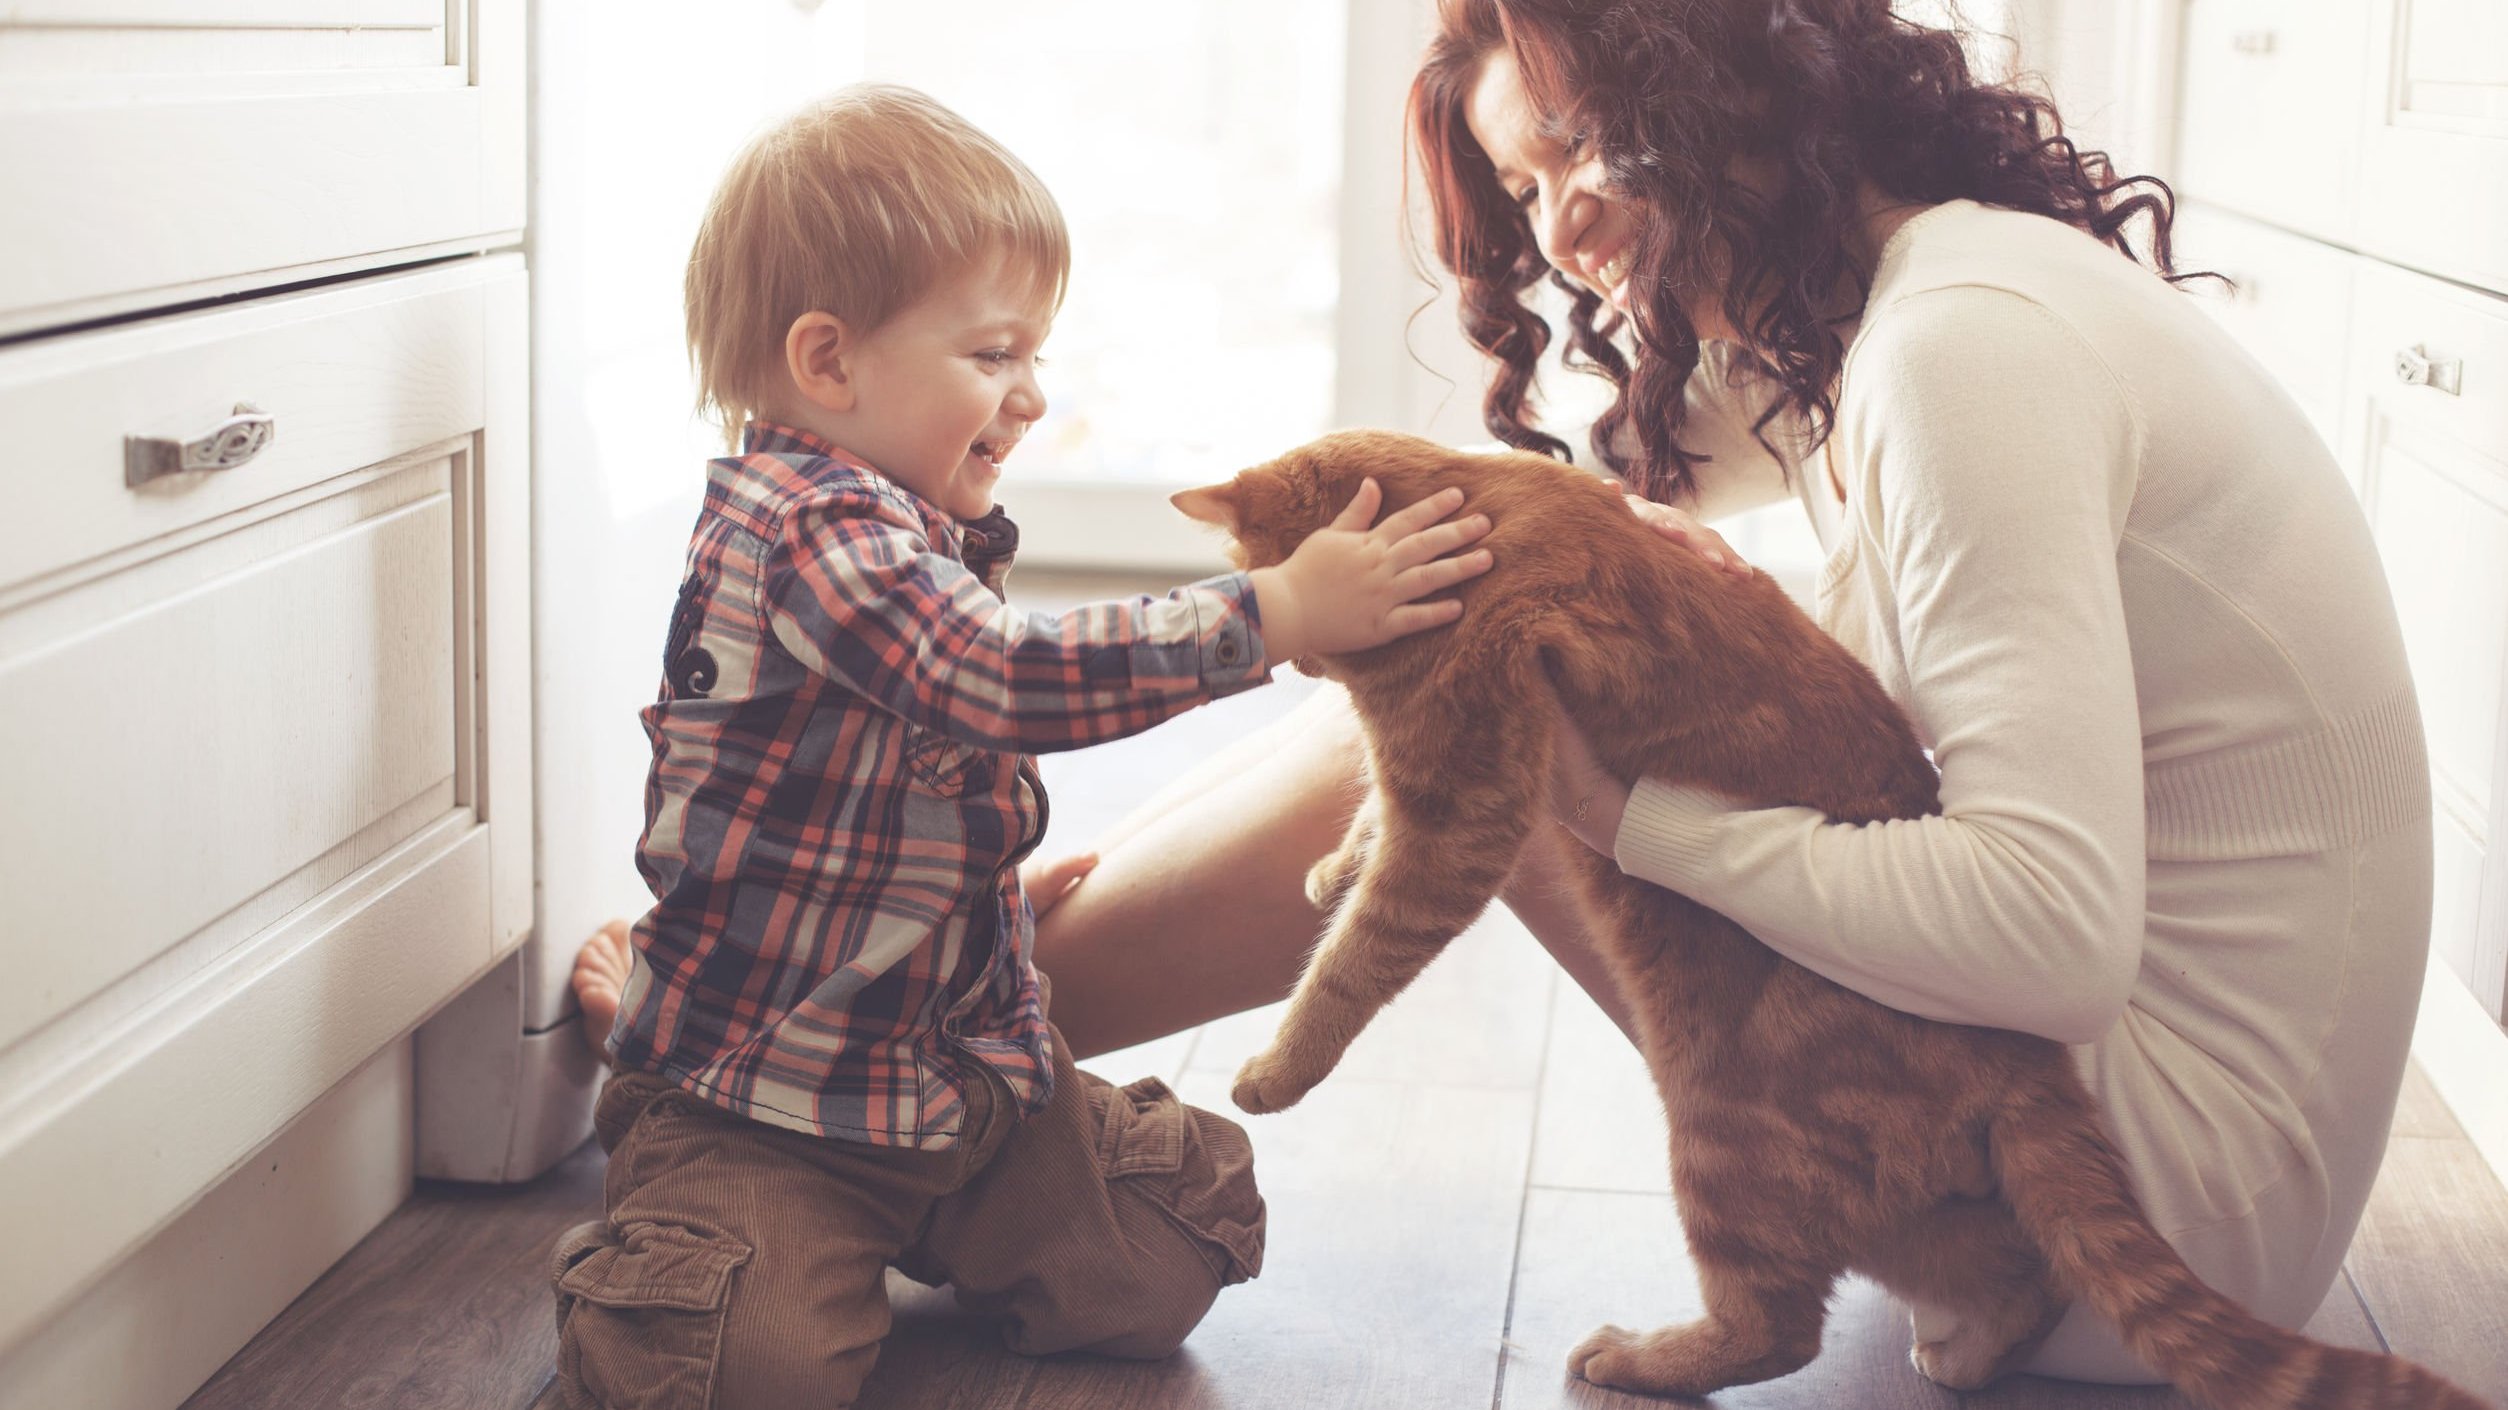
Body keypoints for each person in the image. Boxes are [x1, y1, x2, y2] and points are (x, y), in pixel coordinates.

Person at [1012, 0, 2436, 1388]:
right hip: (2128, 1151)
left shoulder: (1961, 353)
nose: (1557, 230)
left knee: (1466, 726)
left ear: (1728, 77)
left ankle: (917, 1037)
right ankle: (977, 966)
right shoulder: (1904, 301)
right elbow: (1581, 491)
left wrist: (1630, 819)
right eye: (1525, 183)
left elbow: (2050, 932)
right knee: (1446, 655)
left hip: (2138, 1214)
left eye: (1580, 146)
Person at [552, 83, 1495, 1410]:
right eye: (995, 356)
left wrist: (976, 907)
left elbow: (901, 790)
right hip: (765, 1100)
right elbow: (996, 674)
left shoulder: (896, 518)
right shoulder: (804, 532)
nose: (1034, 397)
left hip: (948, 1081)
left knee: (1181, 1248)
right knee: (730, 1371)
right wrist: (1274, 612)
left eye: (1036, 357)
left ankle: (875, 1218)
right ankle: (672, 1135)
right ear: (827, 363)